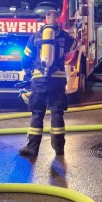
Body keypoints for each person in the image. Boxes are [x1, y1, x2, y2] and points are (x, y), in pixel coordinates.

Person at [19, 9, 76, 158]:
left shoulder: (36, 36)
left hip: (39, 80)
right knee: (57, 112)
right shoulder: (63, 36)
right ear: (57, 19)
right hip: (57, 80)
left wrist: (27, 71)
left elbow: (25, 58)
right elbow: (74, 46)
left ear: (45, 19)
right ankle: (59, 149)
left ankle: (32, 149)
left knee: (37, 113)